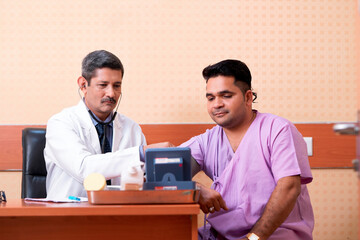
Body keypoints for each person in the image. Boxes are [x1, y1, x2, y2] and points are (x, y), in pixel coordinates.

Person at [180, 59, 314, 240]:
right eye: (210, 98)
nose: (216, 104)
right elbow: (159, 175)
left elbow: (289, 187)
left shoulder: (278, 130)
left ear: (248, 97)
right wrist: (195, 188)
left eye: (226, 96)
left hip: (274, 235)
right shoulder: (205, 142)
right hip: (221, 235)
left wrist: (253, 237)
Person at [44, 50, 172, 199]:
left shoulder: (132, 129)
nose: (111, 93)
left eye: (117, 85)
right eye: (103, 85)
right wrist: (141, 153)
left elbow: (143, 179)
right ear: (83, 85)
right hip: (70, 214)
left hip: (119, 215)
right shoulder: (61, 123)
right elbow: (86, 169)